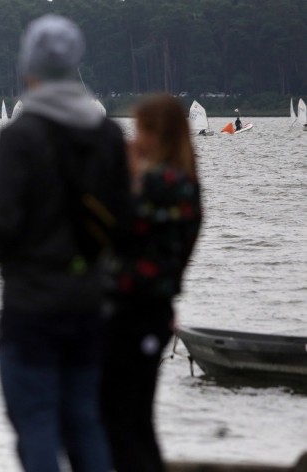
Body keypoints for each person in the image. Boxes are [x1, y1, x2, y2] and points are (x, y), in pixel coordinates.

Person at [0, 14, 130, 472]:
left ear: (29, 67)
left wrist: (22, 269)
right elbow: (125, 224)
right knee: (88, 421)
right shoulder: (109, 136)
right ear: (75, 64)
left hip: (31, 304)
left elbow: (1, 232)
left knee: (36, 423)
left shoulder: (19, 137)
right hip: (91, 302)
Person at [101, 94, 202, 472]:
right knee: (137, 417)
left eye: (140, 129)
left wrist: (127, 173)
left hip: (133, 310)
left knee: (119, 417)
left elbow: (119, 229)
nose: (134, 137)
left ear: (155, 133)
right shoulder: (186, 180)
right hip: (154, 310)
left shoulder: (162, 182)